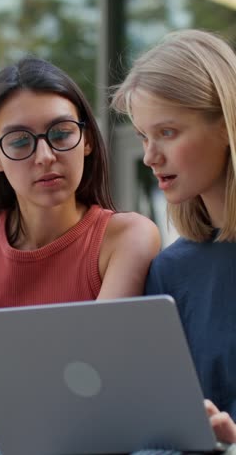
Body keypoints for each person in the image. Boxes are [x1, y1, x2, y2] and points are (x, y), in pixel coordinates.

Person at [0, 55, 160, 454]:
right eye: (20, 141)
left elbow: (94, 366)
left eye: (60, 133)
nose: (45, 156)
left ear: (87, 139)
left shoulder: (126, 237)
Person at [111, 28, 236, 446]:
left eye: (166, 132)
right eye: (144, 136)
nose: (149, 156)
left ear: (226, 124)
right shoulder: (170, 271)